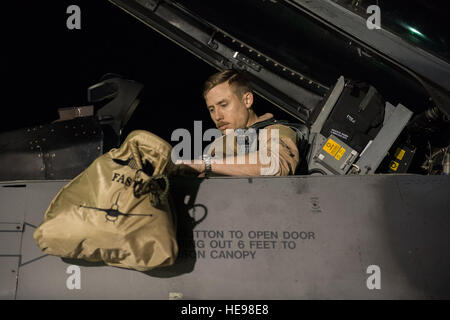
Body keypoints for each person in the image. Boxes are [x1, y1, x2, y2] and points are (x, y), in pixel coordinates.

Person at [175, 69, 300, 176]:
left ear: (247, 100)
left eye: (223, 105)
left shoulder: (274, 131)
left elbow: (275, 165)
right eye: (212, 109)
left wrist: (206, 164)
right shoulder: (216, 145)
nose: (217, 116)